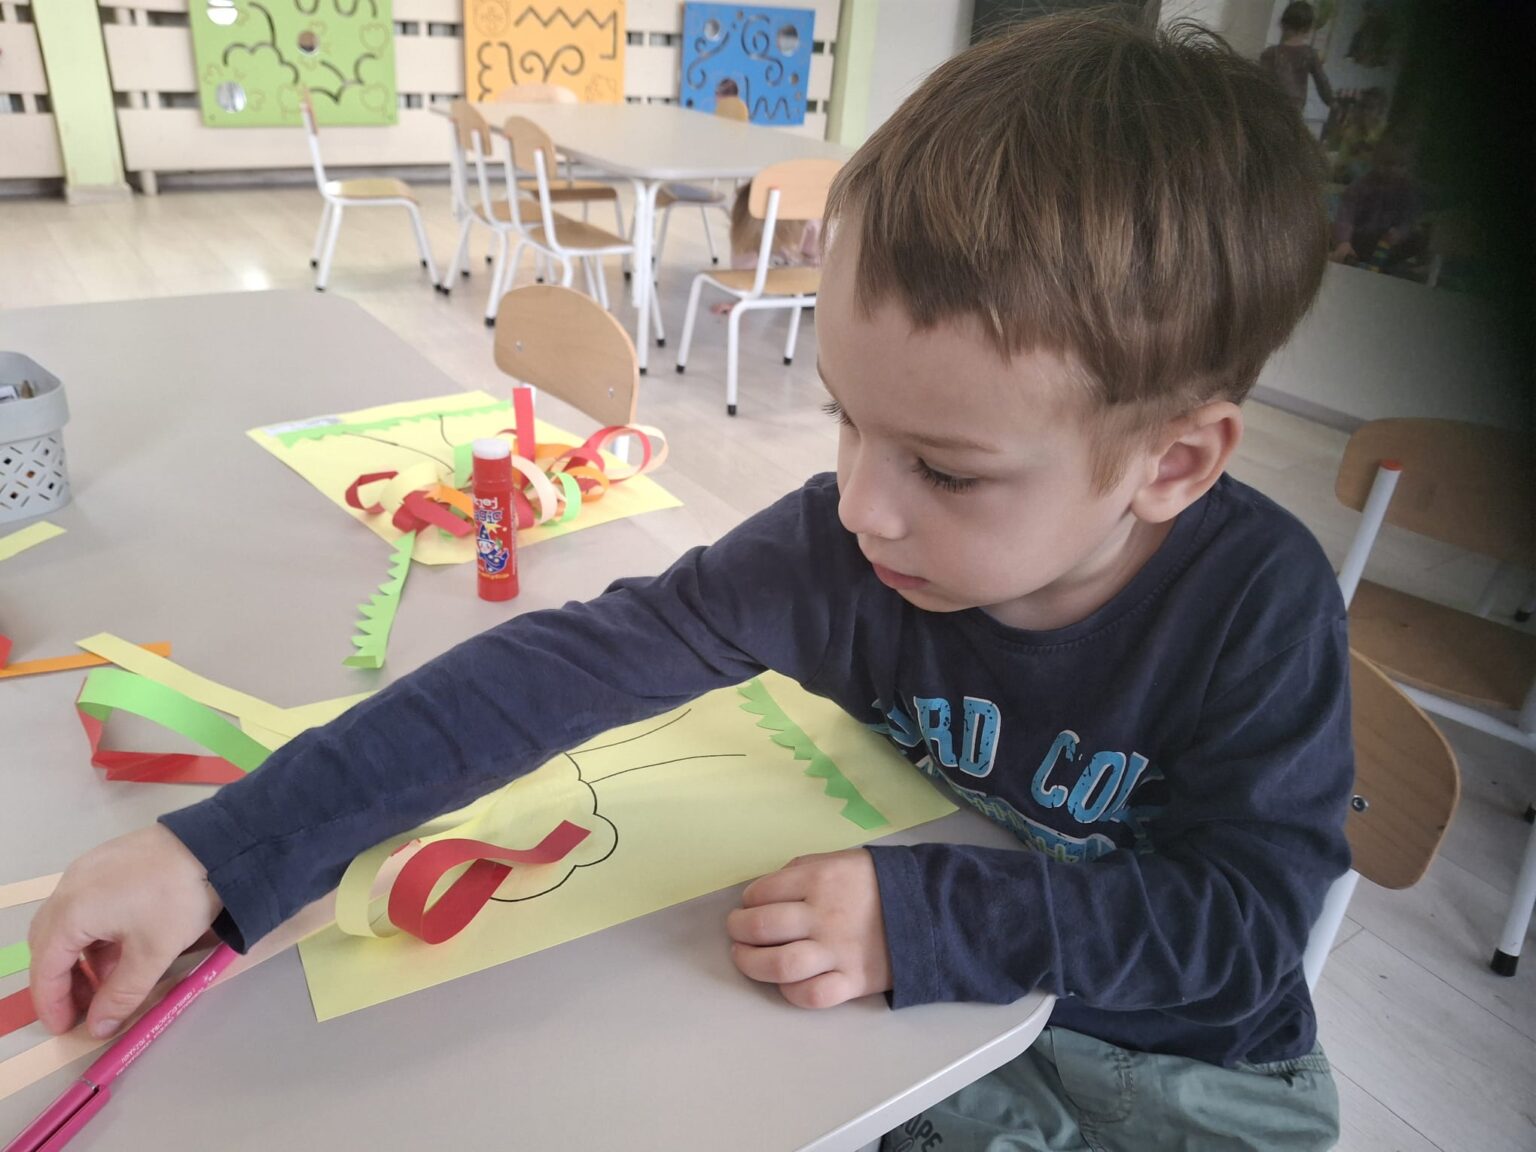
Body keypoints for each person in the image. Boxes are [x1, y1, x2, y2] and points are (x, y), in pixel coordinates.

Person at [27, 12, 1350, 1150]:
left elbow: (1244, 929)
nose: (860, 503)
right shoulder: (849, 551)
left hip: (1184, 1084)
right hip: (940, 1042)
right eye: (844, 419)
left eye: (946, 471)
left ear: (1173, 463)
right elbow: (558, 673)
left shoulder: (1258, 607)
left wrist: (930, 918)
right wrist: (216, 853)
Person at [1261, 2, 1335, 113]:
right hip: (1296, 108)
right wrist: (1332, 102)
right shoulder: (1309, 54)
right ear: (1308, 29)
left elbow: (1260, 82)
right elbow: (1322, 83)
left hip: (1272, 106)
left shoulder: (1270, 53)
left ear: (1283, 24)